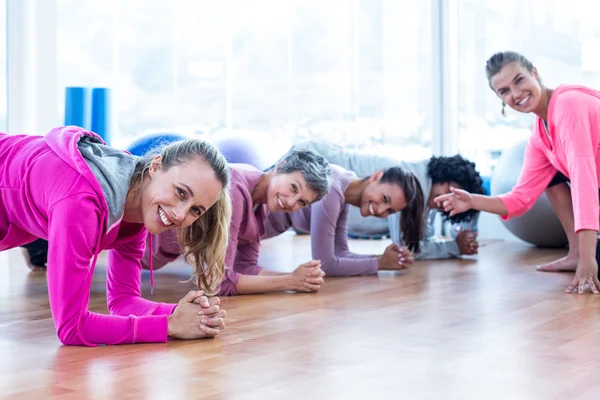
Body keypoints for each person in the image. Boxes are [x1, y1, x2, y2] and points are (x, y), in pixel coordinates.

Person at [0, 126, 231, 345]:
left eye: (195, 210)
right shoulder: (81, 202)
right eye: (180, 192)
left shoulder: (137, 205)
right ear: (156, 166)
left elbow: (123, 301)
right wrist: (169, 325)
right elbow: (71, 328)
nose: (180, 215)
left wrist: (186, 314)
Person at [435, 50, 600, 295]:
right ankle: (575, 253)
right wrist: (472, 201)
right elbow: (521, 199)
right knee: (550, 177)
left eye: (519, 80)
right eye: (504, 91)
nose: (516, 94)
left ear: (534, 73)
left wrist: (590, 261)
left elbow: (584, 182)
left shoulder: (568, 104)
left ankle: (583, 255)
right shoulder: (539, 136)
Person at [143, 149, 332, 295]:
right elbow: (217, 283)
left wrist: (299, 277)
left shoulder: (261, 205)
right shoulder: (234, 188)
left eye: (302, 202)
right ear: (280, 167)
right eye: (293, 187)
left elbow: (245, 266)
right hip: (134, 250)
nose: (291, 202)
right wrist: (289, 281)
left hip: (151, 258)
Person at [288, 141, 485, 259]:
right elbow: (409, 248)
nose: (447, 202)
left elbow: (419, 239)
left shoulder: (422, 193)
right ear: (446, 176)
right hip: (308, 161)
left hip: (305, 194)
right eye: (452, 191)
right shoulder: (412, 184)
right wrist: (454, 247)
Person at [264, 163, 424, 276]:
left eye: (389, 211)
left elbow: (340, 252)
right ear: (376, 177)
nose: (381, 210)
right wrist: (380, 264)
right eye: (384, 198)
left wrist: (382, 259)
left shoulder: (346, 188)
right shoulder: (332, 187)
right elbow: (325, 264)